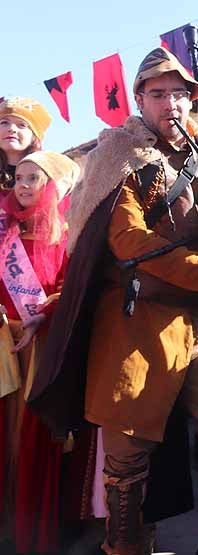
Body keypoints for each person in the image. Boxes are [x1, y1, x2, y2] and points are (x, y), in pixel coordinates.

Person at [28, 47, 198, 555]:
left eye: (180, 94)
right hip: (136, 320)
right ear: (139, 100)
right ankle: (125, 548)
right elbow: (127, 240)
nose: (171, 103)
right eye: (158, 94)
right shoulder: (118, 156)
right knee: (127, 453)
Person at [0, 151, 78, 553]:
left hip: (39, 345)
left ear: (53, 185)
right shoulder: (3, 228)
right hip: (2, 343)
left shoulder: (67, 234)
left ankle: (27, 530)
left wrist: (41, 315)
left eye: (34, 177)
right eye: (19, 177)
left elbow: (69, 289)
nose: (23, 185)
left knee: (27, 438)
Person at [0, 97, 49, 189]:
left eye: (22, 125)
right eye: (4, 122)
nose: (12, 129)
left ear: (34, 136)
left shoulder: (48, 176)